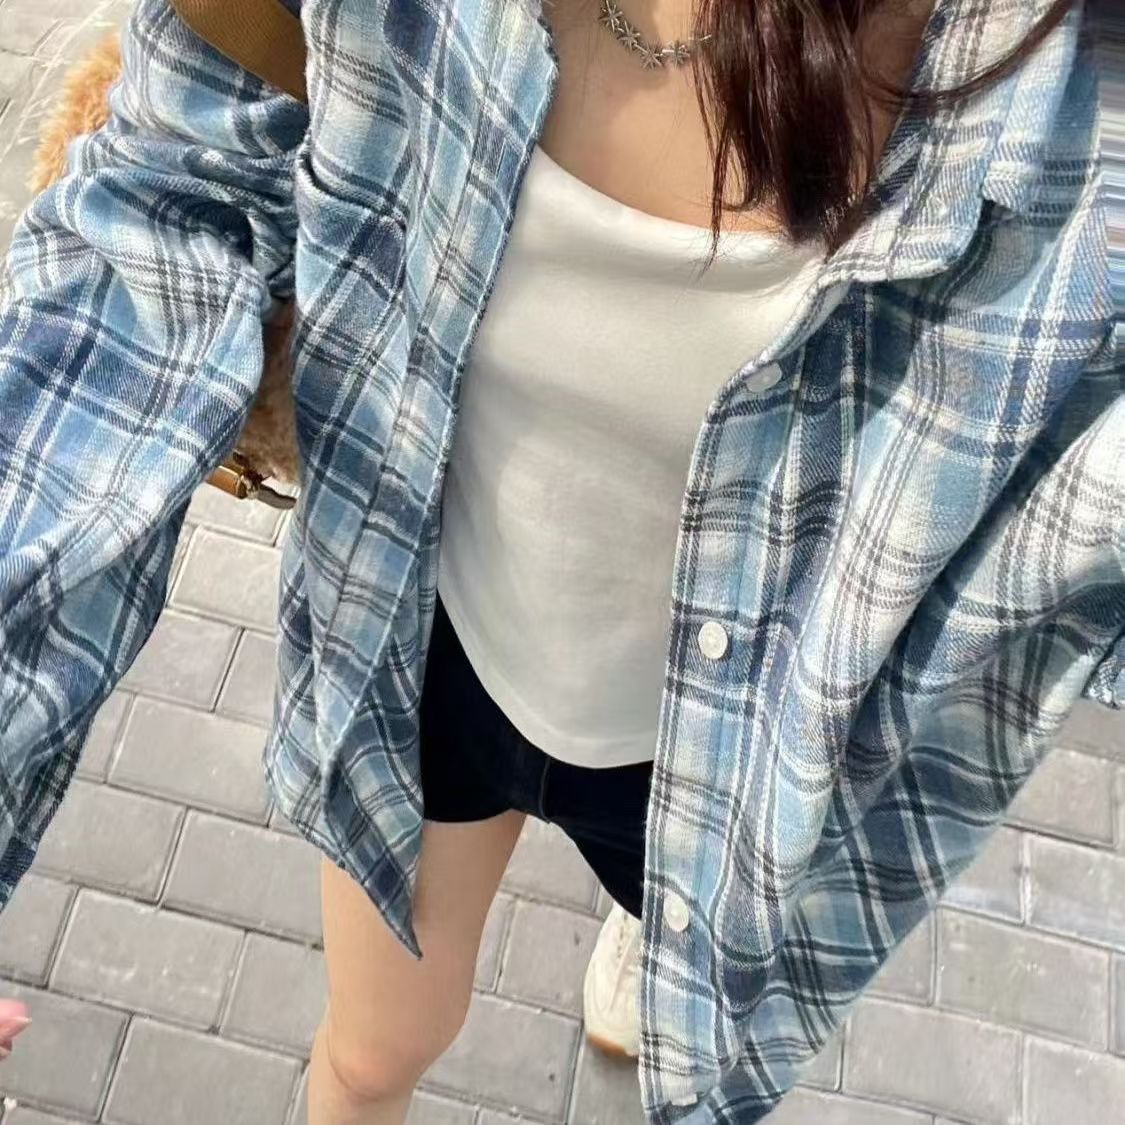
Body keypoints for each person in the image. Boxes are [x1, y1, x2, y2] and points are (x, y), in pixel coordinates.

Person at [0, 0, 1120, 1123]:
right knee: (371, 1053)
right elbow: (156, 212)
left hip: (738, 751)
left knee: (669, 938)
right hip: (423, 638)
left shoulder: (1072, 98)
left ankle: (648, 922)